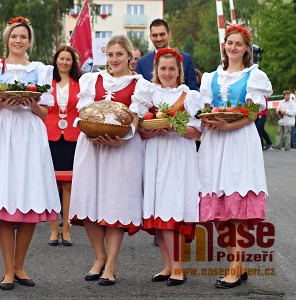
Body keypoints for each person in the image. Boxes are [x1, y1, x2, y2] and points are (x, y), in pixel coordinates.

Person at [0, 16, 60, 290]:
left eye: (23, 37)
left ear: (29, 41)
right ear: (7, 39)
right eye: (14, 36)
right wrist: (2, 103)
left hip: (29, 134)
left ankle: (20, 266)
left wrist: (32, 103)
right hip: (1, 134)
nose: (18, 41)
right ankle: (8, 270)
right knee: (4, 199)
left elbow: (45, 111)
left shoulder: (40, 69)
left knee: (30, 197)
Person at [69, 35, 154, 286]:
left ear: (129, 55)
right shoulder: (91, 79)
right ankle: (99, 257)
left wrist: (123, 137)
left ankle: (112, 263)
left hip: (122, 150)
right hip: (91, 146)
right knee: (89, 200)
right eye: (110, 54)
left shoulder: (140, 84)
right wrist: (89, 132)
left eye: (119, 54)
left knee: (115, 204)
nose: (114, 59)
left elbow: (136, 120)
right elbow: (83, 113)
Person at [199, 25, 272, 288]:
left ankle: (233, 267)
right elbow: (205, 108)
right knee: (219, 209)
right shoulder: (211, 77)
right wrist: (209, 120)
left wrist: (227, 125)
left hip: (240, 141)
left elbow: (252, 113)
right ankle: (237, 266)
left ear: (246, 48)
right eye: (229, 42)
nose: (233, 47)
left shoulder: (255, 76)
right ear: (224, 45)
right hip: (215, 144)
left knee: (238, 203)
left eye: (238, 44)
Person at [140, 48, 202, 286]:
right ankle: (167, 265)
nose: (167, 73)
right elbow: (142, 133)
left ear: (179, 72)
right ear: (156, 70)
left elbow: (196, 132)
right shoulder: (148, 93)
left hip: (178, 156)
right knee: (158, 209)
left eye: (172, 69)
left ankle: (178, 268)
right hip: (154, 154)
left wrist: (175, 126)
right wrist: (154, 129)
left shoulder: (189, 95)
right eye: (163, 69)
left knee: (173, 208)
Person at [43, 45, 82, 246]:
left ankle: (66, 228)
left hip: (72, 136)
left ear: (72, 62)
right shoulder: (47, 83)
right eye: (61, 58)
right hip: (50, 134)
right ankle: (52, 229)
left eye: (68, 59)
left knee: (68, 184)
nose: (65, 62)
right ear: (56, 61)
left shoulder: (80, 83)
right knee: (52, 184)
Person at [136, 18, 198, 91]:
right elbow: (140, 92)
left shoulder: (186, 59)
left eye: (162, 34)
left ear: (169, 35)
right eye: (155, 35)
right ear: (150, 37)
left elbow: (193, 90)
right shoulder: (142, 63)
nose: (159, 39)